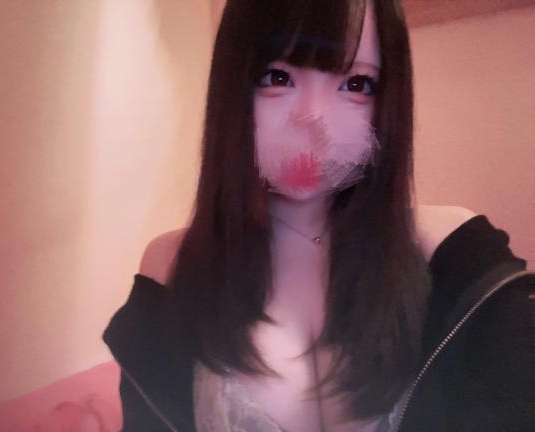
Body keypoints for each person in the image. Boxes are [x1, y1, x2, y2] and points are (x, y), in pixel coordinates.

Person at [103, 0, 535, 431]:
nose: (314, 121)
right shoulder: (172, 268)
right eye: (277, 78)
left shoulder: (457, 257)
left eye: (357, 84)